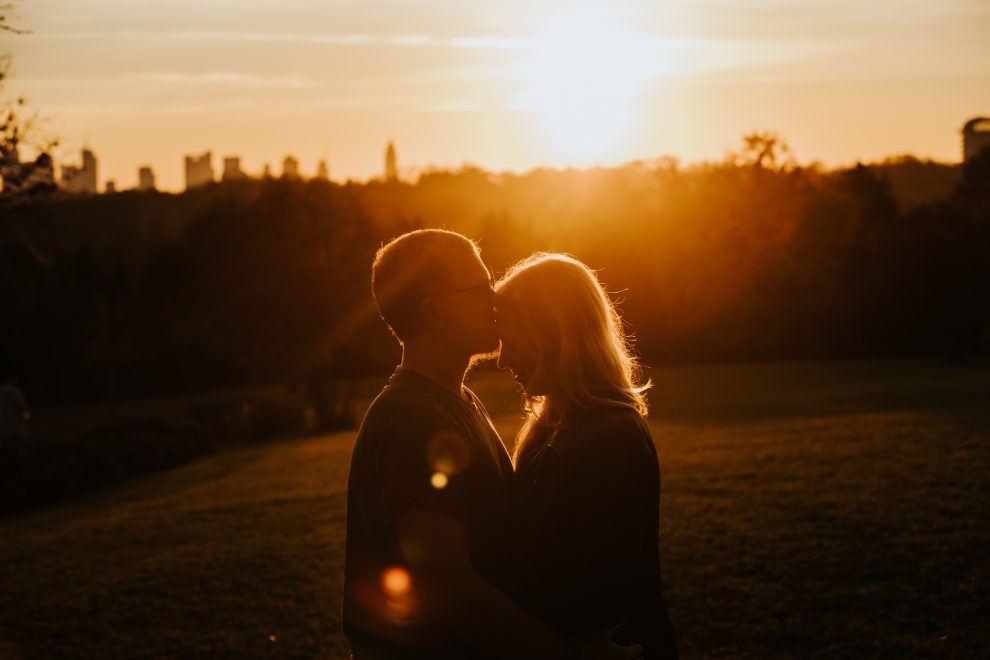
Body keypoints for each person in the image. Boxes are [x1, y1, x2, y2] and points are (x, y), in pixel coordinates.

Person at [342, 230, 640, 660]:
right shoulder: (412, 419)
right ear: (434, 313)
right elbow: (449, 589)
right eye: (480, 287)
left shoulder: (453, 401)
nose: (496, 298)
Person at [494, 253, 679, 660]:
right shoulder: (554, 424)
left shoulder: (611, 435)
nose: (503, 360)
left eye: (512, 341)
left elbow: (599, 583)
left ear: (552, 333)